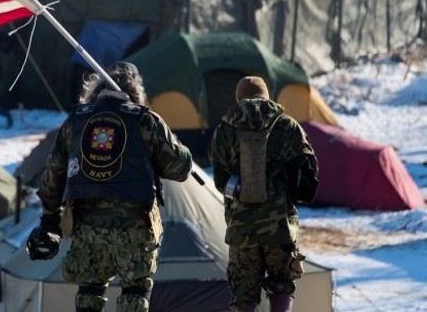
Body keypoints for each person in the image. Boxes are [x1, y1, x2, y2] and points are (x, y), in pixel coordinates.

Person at [26, 61, 193, 312]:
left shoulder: (76, 122)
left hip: (88, 227)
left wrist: (50, 219)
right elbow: (181, 168)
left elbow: (53, 175)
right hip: (136, 228)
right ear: (136, 89)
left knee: (89, 291)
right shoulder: (145, 120)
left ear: (96, 88)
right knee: (135, 292)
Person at [208, 76, 319, 312]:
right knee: (281, 286)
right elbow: (308, 178)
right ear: (266, 95)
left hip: (241, 230)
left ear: (239, 98)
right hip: (279, 226)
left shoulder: (224, 131)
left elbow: (220, 181)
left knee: (243, 297)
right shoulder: (287, 126)